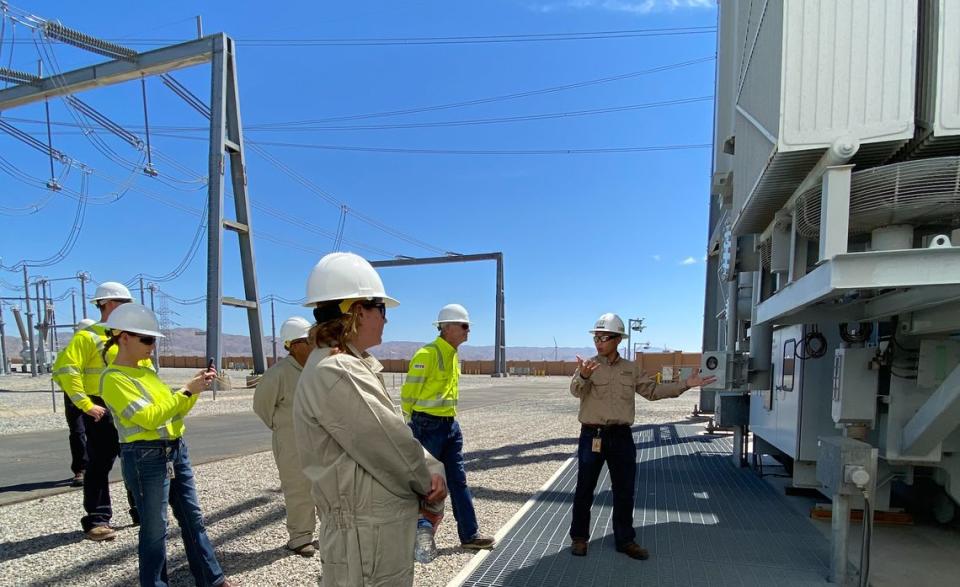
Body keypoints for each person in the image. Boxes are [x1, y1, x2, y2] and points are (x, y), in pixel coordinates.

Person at [293, 252, 447, 587]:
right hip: (366, 536)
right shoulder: (338, 371)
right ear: (358, 310)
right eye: (382, 309)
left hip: (366, 532)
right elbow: (391, 444)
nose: (386, 319)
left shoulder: (341, 364)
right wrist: (432, 481)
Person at [98, 303, 234, 587]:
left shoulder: (146, 373)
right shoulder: (114, 379)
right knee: (154, 529)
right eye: (146, 340)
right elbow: (148, 418)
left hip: (174, 450)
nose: (152, 346)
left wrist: (193, 389)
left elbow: (174, 411)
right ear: (124, 337)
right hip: (145, 456)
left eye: (153, 341)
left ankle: (212, 579)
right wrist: (186, 390)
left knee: (192, 518)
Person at [569, 312, 716, 560]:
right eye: (596, 337)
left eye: (604, 337)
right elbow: (575, 391)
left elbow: (653, 391)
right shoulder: (588, 366)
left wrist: (686, 384)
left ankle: (625, 540)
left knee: (624, 490)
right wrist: (583, 375)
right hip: (592, 436)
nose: (599, 342)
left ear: (617, 340)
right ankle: (580, 538)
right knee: (584, 488)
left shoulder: (631, 369)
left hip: (621, 437)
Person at [52, 282, 143, 541]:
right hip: (101, 408)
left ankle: (141, 510)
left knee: (135, 460)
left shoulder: (129, 335)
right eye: (125, 304)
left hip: (128, 406)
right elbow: (65, 370)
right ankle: (98, 519)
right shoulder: (88, 337)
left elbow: (144, 370)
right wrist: (85, 404)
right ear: (109, 304)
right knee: (100, 463)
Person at [401, 304, 495, 552]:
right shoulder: (427, 354)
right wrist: (412, 426)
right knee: (424, 487)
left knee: (458, 481)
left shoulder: (453, 355)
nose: (468, 331)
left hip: (450, 425)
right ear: (446, 327)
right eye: (464, 326)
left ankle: (470, 535)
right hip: (426, 426)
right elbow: (408, 394)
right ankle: (413, 541)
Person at [253, 316, 319, 557]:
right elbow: (262, 407)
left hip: (320, 440)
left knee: (325, 485)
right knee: (298, 488)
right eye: (308, 340)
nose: (313, 345)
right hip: (291, 442)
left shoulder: (317, 368)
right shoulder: (277, 374)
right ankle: (300, 538)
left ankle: (333, 533)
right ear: (292, 344)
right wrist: (282, 428)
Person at [62, 318, 98, 487]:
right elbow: (61, 372)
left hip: (95, 395)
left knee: (96, 432)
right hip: (74, 396)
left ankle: (94, 468)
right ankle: (81, 470)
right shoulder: (70, 350)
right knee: (77, 432)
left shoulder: (98, 349)